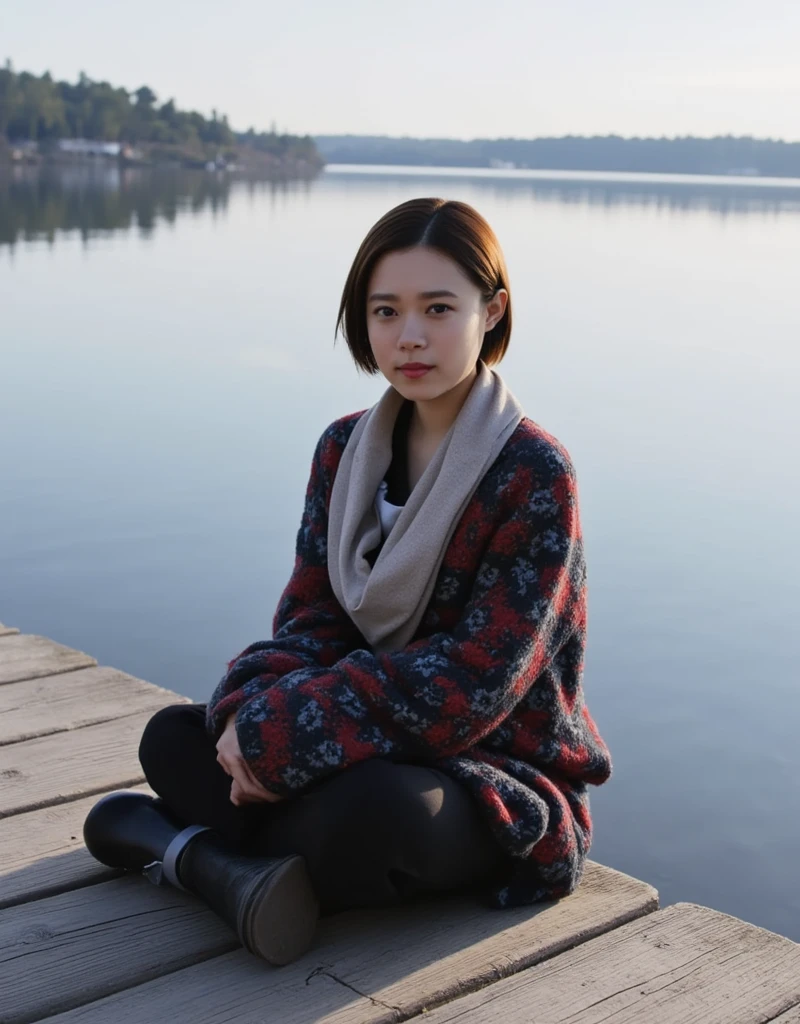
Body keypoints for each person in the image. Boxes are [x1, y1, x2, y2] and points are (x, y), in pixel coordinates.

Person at [84, 197, 612, 967]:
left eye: (438, 308)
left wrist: (288, 738)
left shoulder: (532, 473)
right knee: (174, 737)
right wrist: (251, 718)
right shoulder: (344, 450)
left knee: (369, 815)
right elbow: (308, 625)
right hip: (356, 737)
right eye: (386, 310)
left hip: (486, 765)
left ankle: (187, 851)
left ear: (491, 311)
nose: (410, 336)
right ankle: (235, 872)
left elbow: (471, 684)